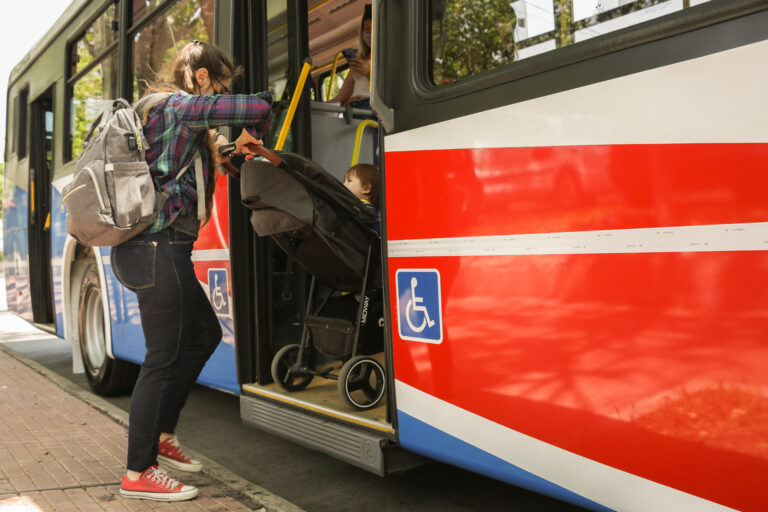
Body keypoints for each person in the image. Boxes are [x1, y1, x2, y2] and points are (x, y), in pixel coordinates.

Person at [113, 41, 271, 502]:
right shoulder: (181, 106)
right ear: (202, 79)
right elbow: (255, 108)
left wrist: (224, 151)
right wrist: (274, 98)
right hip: (156, 249)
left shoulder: (167, 114)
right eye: (221, 85)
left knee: (201, 336)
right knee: (162, 357)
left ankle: (161, 437)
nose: (223, 95)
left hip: (162, 251)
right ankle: (137, 471)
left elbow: (178, 171)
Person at [330, 4, 372, 108]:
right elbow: (341, 97)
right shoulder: (360, 60)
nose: (370, 33)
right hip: (353, 109)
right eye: (366, 28)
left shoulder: (390, 58)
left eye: (373, 29)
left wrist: (368, 73)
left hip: (371, 109)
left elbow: (392, 92)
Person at [343, 163, 380, 235]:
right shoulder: (376, 212)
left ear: (366, 188)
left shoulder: (364, 210)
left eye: (349, 181)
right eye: (344, 181)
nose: (344, 185)